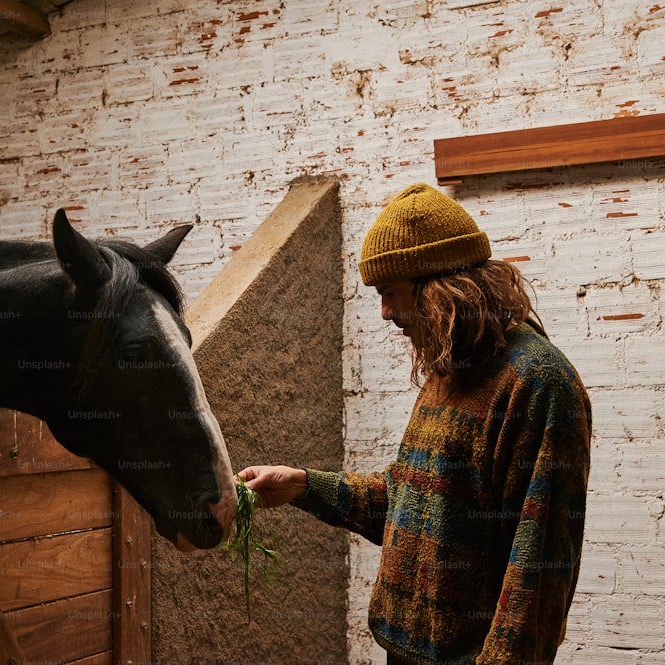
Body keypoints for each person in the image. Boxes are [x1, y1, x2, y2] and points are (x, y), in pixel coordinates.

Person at [238, 183, 592, 665]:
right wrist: (302, 486)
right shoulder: (450, 370)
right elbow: (409, 503)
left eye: (390, 293)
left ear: (438, 286)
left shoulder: (538, 382)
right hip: (403, 654)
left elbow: (538, 570)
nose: (385, 313)